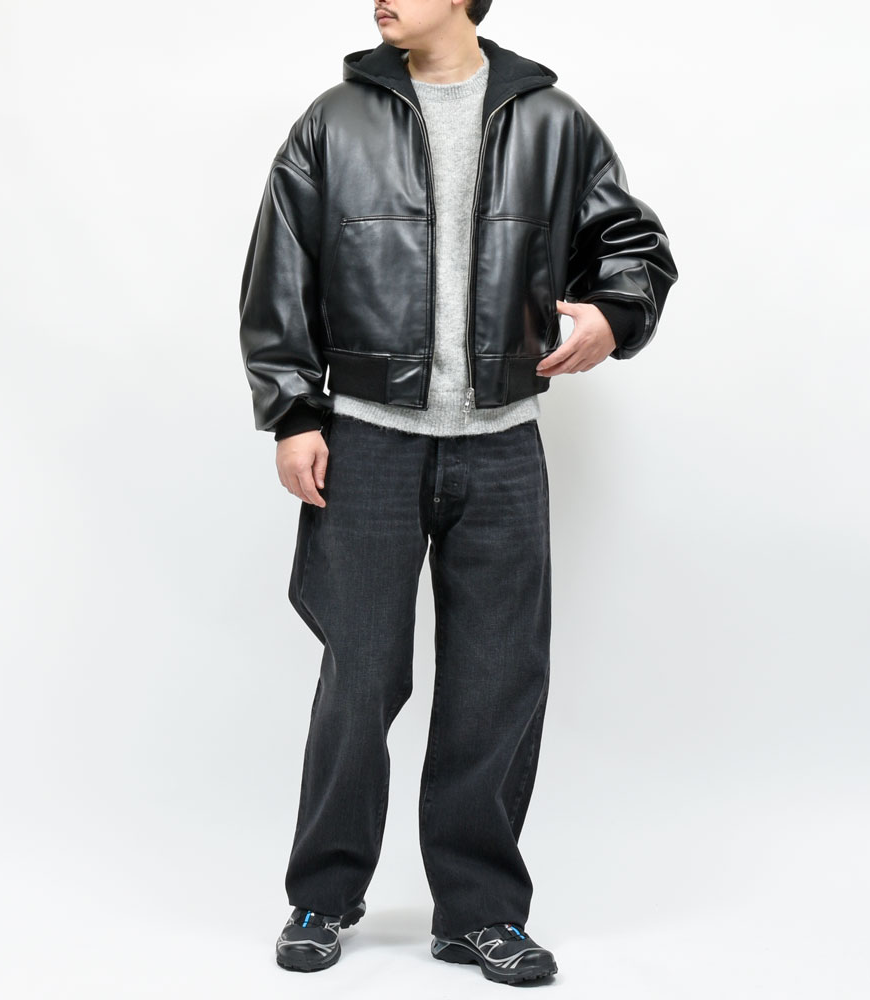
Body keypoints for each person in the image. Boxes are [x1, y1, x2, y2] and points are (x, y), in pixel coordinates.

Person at [238, 0, 677, 986]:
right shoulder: (333, 122)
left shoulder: (550, 121)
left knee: (496, 681)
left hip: (503, 448)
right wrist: (294, 413)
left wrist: (613, 315)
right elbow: (279, 270)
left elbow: (632, 245)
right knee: (359, 678)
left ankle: (479, 912)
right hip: (367, 445)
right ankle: (323, 894)